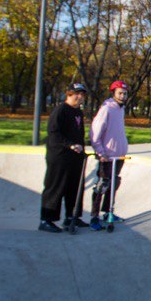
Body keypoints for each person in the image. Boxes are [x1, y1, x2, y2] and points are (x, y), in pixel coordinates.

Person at [39, 83, 88, 233]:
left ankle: (72, 217)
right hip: (59, 156)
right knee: (56, 186)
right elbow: (53, 132)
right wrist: (70, 145)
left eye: (82, 94)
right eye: (76, 94)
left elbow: (78, 133)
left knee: (75, 187)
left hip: (75, 157)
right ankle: (46, 220)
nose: (79, 97)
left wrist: (82, 147)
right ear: (69, 94)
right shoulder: (61, 110)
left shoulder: (78, 112)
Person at [89, 80, 130, 230]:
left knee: (114, 185)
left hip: (118, 156)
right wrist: (100, 152)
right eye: (120, 93)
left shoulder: (121, 109)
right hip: (106, 156)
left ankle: (107, 212)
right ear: (113, 93)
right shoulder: (106, 109)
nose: (123, 96)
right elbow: (95, 133)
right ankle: (94, 217)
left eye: (125, 93)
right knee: (102, 185)